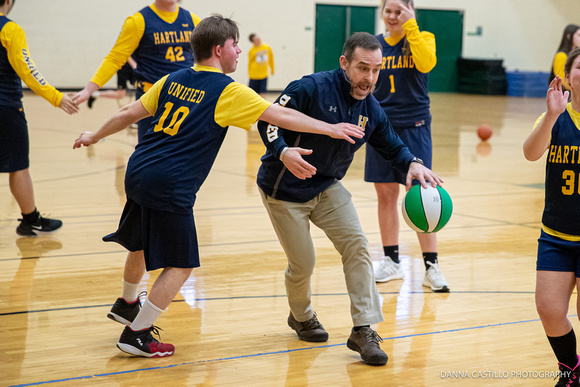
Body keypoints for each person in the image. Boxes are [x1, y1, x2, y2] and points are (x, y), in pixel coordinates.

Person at [72, 15, 366, 358]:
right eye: (234, 44)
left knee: (138, 242)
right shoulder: (228, 91)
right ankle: (137, 332)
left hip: (139, 171)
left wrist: (95, 134)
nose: (239, 50)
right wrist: (330, 128)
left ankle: (126, 302)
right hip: (170, 182)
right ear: (218, 50)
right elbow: (281, 116)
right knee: (182, 265)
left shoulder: (173, 77)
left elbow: (129, 111)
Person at [256, 31, 443, 366]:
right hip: (283, 189)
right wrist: (282, 151)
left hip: (326, 187)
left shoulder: (370, 108)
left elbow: (391, 144)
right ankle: (301, 316)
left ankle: (363, 329)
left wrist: (413, 163)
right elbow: (267, 119)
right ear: (344, 63)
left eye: (375, 70)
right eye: (362, 68)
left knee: (357, 244)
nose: (368, 78)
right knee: (304, 263)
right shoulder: (311, 87)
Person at [365, 0, 449, 292]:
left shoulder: (423, 38)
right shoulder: (374, 44)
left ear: (410, 12)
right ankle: (391, 261)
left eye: (399, 11)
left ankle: (431, 266)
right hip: (381, 128)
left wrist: (410, 26)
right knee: (385, 195)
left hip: (414, 126)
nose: (392, 16)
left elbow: (426, 63)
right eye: (388, 10)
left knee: (421, 194)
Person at [523, 48, 580, 387]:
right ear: (568, 75)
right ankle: (571, 369)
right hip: (556, 234)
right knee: (549, 308)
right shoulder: (555, 117)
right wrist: (550, 115)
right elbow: (530, 153)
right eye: (579, 67)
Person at [0, 0, 78, 236]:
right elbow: (27, 70)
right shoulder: (9, 29)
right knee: (19, 167)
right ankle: (30, 219)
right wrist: (57, 97)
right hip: (6, 108)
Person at [73, 0, 201, 141]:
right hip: (152, 98)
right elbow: (115, 58)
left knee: (183, 153)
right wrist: (89, 89)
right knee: (148, 154)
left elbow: (205, 60)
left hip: (186, 98)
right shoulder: (138, 21)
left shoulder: (193, 20)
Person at [549, 24, 580, 92]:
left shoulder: (575, 55)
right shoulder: (561, 55)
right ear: (569, 36)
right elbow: (563, 80)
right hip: (563, 95)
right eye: (578, 35)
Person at [247, 33, 274, 97]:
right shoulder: (251, 51)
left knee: (263, 94)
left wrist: (272, 69)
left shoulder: (267, 47)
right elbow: (250, 63)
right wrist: (249, 73)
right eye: (256, 38)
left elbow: (271, 59)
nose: (258, 39)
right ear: (253, 41)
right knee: (252, 95)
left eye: (258, 37)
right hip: (254, 76)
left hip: (264, 75)